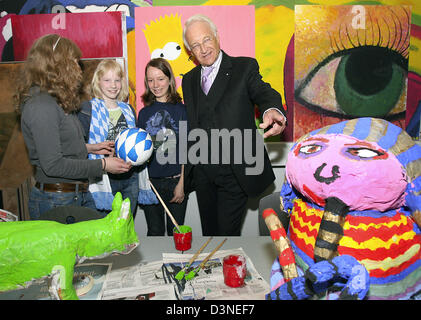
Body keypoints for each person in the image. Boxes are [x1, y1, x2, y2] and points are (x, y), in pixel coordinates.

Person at [182, 14, 287, 236]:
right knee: (210, 235)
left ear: (217, 37)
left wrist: (272, 109)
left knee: (225, 237)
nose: (203, 49)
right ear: (190, 52)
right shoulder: (188, 79)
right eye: (195, 45)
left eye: (206, 40)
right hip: (203, 173)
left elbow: (263, 91)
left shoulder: (243, 67)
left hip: (236, 171)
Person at [15, 34, 131, 220]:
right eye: (75, 62)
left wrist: (90, 148)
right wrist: (102, 164)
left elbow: (57, 146)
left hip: (76, 195)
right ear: (59, 64)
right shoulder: (41, 106)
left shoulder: (56, 102)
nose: (79, 68)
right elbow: (53, 165)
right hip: (57, 200)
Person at [77, 59, 139, 217]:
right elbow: (77, 147)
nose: (113, 85)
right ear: (98, 81)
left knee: (125, 227)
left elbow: (135, 142)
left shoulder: (129, 110)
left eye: (117, 80)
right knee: (102, 230)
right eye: (107, 80)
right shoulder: (87, 109)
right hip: (102, 179)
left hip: (129, 177)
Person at [137, 58, 188, 236]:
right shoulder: (143, 113)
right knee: (155, 231)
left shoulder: (182, 110)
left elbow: (185, 149)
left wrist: (182, 183)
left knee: (176, 232)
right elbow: (140, 151)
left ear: (169, 80)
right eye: (150, 80)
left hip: (176, 180)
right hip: (150, 183)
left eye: (160, 79)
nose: (155, 85)